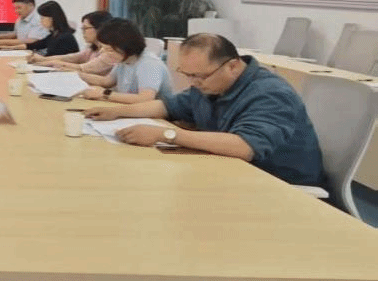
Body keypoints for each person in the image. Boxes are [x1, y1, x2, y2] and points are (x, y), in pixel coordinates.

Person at [84, 33, 325, 187]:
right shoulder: (211, 84)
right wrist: (118, 112)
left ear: (232, 66)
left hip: (277, 185)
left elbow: (244, 146)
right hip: (229, 173)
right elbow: (167, 106)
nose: (194, 83)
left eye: (199, 76)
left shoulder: (270, 93)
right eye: (188, 75)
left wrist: (166, 134)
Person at [78, 18, 174, 103]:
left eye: (109, 49)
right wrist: (78, 75)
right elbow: (107, 81)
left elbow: (145, 98)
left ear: (126, 47)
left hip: (153, 115)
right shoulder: (125, 59)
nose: (102, 52)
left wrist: (104, 94)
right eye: (103, 48)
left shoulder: (149, 63)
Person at [31, 10, 115, 75]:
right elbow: (74, 57)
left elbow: (82, 68)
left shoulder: (110, 52)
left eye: (85, 28)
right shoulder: (93, 48)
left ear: (100, 28)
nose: (83, 32)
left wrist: (50, 62)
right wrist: (43, 60)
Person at [1, 0, 78, 56]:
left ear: (52, 18)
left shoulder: (64, 37)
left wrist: (36, 59)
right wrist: (10, 48)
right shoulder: (54, 34)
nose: (40, 21)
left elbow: (51, 58)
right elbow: (35, 45)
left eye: (42, 18)